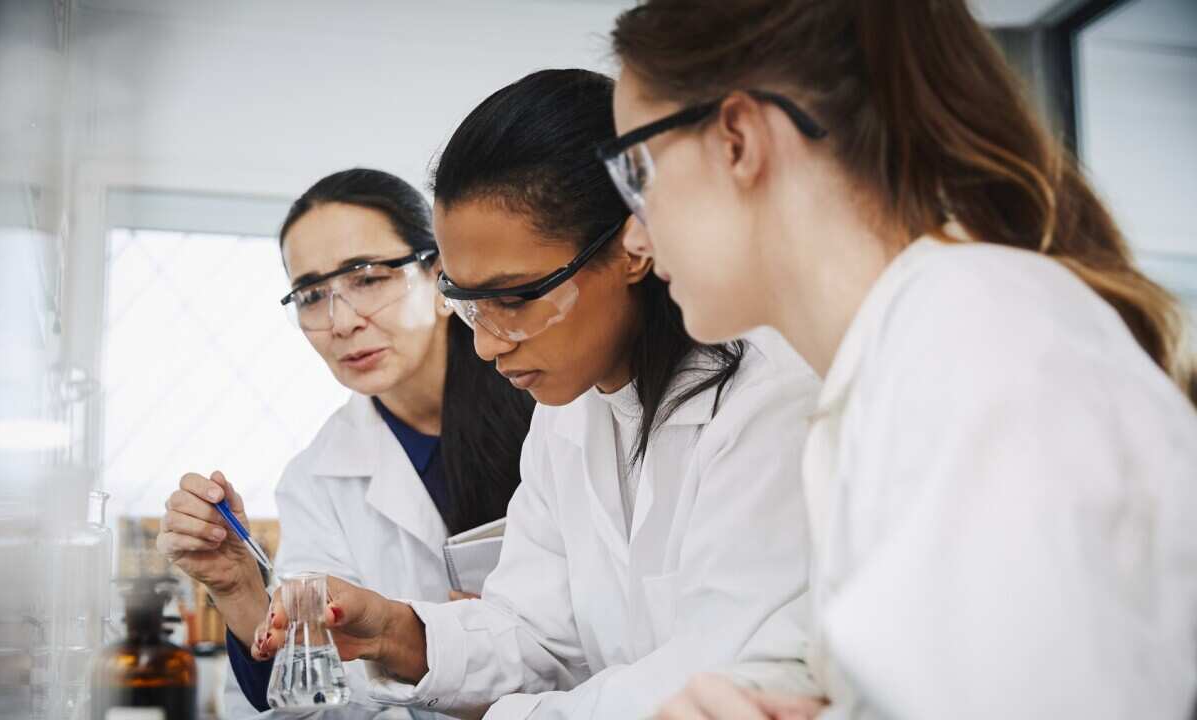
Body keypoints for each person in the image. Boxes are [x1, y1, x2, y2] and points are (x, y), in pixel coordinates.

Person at [600, 1, 1197, 718]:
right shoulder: (907, 351)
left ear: (737, 138)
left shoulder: (974, 337)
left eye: (639, 169)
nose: (635, 234)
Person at [252, 69, 821, 719]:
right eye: (469, 304)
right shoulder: (569, 413)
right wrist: (399, 634)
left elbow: (737, 669)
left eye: (517, 298)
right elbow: (541, 634)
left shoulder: (767, 396)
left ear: (634, 244)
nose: (489, 345)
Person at [156, 168, 535, 715]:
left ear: (442, 281)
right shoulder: (318, 481)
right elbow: (322, 704)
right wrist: (239, 592)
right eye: (312, 294)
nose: (341, 321)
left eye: (367, 278)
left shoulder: (553, 409)